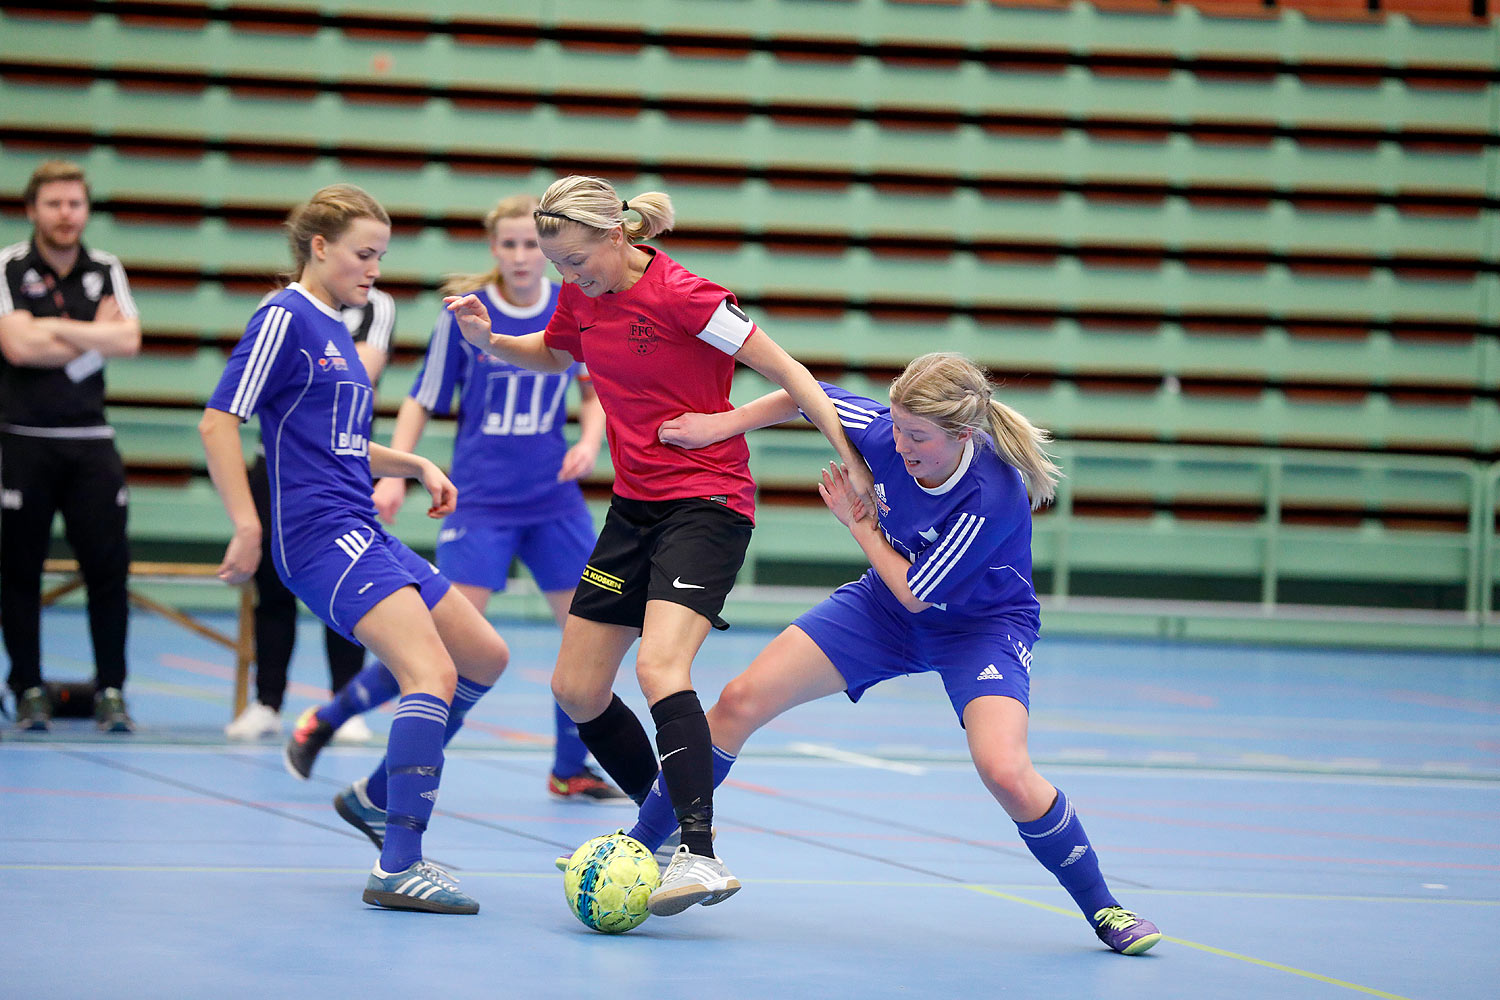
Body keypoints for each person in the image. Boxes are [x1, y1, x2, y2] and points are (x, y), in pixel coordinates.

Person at [615, 352, 1163, 955]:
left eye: (918, 436)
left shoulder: (992, 493)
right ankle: (637, 851)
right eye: (897, 427)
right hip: (880, 610)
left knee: (1005, 771)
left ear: (962, 435)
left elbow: (918, 594)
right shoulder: (885, 430)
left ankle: (1106, 908)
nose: (899, 446)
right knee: (739, 701)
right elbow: (805, 393)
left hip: (977, 627)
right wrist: (720, 425)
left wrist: (859, 524)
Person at [446, 174, 873, 916]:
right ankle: (660, 825)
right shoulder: (583, 294)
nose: (569, 278)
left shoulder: (688, 297)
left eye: (578, 260)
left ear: (617, 236)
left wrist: (746, 430)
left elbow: (797, 376)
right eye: (559, 268)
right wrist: (490, 342)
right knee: (575, 689)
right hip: (633, 510)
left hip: (707, 504)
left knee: (659, 666)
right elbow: (557, 354)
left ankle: (699, 856)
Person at [200, 183, 510, 914]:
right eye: (364, 254)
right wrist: (247, 524)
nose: (374, 269)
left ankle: (376, 795)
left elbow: (339, 447)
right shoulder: (283, 317)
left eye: (382, 256)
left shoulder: (341, 329)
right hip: (316, 536)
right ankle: (398, 864)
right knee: (428, 671)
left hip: (362, 525)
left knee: (484, 657)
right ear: (319, 247)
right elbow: (220, 421)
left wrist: (415, 465)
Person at [283, 194, 628, 803]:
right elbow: (421, 397)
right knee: (444, 647)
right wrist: (395, 474)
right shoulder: (467, 316)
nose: (523, 256)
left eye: (532, 245)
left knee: (588, 635)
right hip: (482, 503)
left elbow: (590, 386)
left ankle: (569, 767)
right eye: (511, 244)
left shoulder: (569, 302)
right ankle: (334, 719)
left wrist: (590, 438)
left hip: (553, 502)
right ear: (495, 249)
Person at [1, 159, 141, 733]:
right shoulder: (8, 266)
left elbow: (129, 338)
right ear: (32, 209)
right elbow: (16, 348)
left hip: (91, 443)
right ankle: (29, 688)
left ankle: (111, 690)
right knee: (18, 571)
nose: (66, 215)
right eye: (54, 204)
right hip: (22, 441)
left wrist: (50, 330)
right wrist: (93, 336)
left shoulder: (106, 268)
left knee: (108, 570)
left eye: (75, 204)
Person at [223, 285, 396, 743]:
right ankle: (267, 701)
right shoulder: (278, 307)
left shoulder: (376, 306)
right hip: (278, 463)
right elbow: (255, 386)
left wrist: (306, 366)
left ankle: (344, 703)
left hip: (343, 466)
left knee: (350, 584)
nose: (370, 268)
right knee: (272, 586)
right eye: (361, 253)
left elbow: (361, 371)